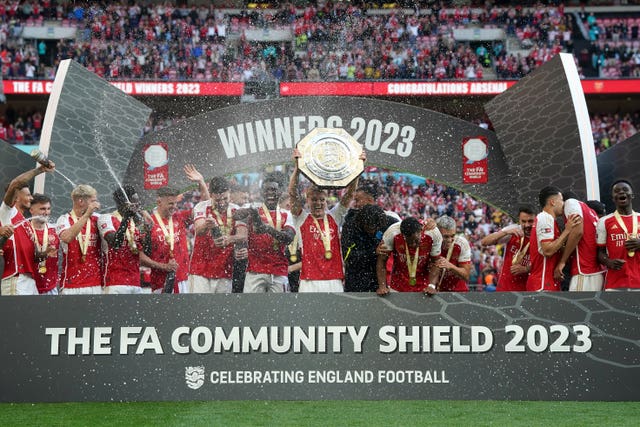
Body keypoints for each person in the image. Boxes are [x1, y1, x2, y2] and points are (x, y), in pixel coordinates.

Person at [288, 150, 357, 292]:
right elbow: (292, 194)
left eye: (321, 200)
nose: (318, 203)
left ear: (326, 201)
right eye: (314, 200)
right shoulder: (302, 219)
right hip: (309, 280)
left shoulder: (334, 216)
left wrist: (358, 168)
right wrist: (297, 168)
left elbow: (350, 194)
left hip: (333, 278)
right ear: (307, 200)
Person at [140, 165, 209, 294]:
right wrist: (163, 267)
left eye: (175, 203)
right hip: (161, 282)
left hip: (183, 279)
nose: (174, 207)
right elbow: (139, 256)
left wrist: (201, 182)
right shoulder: (149, 223)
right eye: (170, 204)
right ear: (159, 202)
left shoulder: (180, 218)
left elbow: (204, 205)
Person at [235, 171, 295, 293]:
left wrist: (268, 229)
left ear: (279, 192)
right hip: (255, 271)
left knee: (280, 309)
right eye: (267, 190)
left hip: (278, 271)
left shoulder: (286, 214)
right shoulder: (254, 209)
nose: (270, 193)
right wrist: (250, 212)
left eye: (273, 190)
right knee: (251, 309)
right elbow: (236, 215)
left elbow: (288, 238)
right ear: (262, 192)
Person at [0, 162, 56, 295]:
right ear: (17, 197)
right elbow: (16, 183)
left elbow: (33, 257)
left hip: (30, 279)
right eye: (28, 195)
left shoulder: (25, 223)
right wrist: (40, 170)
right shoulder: (8, 212)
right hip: (16, 278)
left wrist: (45, 253)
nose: (31, 198)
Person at [341, 182, 399, 292]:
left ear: (369, 201)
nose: (355, 204)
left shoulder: (389, 221)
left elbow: (408, 229)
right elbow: (347, 257)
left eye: (358, 200)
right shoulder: (350, 224)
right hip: (356, 282)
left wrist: (427, 224)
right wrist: (373, 252)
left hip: (380, 283)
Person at [189, 176, 240, 293]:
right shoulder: (201, 207)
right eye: (217, 200)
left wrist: (231, 239)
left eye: (225, 199)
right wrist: (207, 225)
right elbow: (199, 228)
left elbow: (242, 236)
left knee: (221, 309)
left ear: (229, 193)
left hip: (225, 270)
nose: (222, 203)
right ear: (211, 195)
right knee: (198, 308)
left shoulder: (237, 210)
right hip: (200, 270)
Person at [98, 185, 152, 294]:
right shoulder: (106, 218)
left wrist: (148, 232)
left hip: (135, 282)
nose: (138, 205)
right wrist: (126, 217)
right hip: (115, 282)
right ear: (124, 202)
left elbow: (147, 251)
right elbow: (115, 244)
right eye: (135, 202)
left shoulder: (135, 222)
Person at [526, 186, 581, 292]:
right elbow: (548, 251)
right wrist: (567, 230)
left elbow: (556, 249)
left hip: (549, 283)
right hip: (542, 284)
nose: (564, 204)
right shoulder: (545, 218)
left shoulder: (551, 221)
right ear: (552, 202)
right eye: (561, 200)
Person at [376, 217, 442, 295]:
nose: (413, 244)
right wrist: (382, 286)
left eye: (416, 240)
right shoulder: (392, 232)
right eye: (409, 241)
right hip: (397, 286)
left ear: (421, 231)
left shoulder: (433, 233)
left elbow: (436, 262)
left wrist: (431, 286)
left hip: (424, 287)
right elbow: (382, 260)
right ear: (402, 234)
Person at [56, 184, 103, 295]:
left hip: (95, 284)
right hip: (71, 285)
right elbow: (67, 237)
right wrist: (87, 214)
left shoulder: (98, 219)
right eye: (93, 201)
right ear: (81, 201)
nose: (96, 204)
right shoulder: (64, 219)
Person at [554, 191, 605, 291]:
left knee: (575, 305)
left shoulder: (570, 203)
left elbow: (578, 232)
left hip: (585, 271)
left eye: (559, 201)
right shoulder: (590, 211)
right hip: (595, 271)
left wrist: (562, 262)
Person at [480, 205, 536, 291]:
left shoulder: (541, 236)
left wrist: (526, 269)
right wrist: (505, 232)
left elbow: (547, 264)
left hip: (528, 290)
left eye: (530, 221)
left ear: (536, 220)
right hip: (505, 288)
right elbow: (484, 242)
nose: (527, 225)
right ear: (519, 220)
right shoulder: (513, 230)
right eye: (523, 221)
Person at [597, 179, 640, 290]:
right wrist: (608, 262)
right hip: (615, 283)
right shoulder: (604, 221)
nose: (621, 192)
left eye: (625, 190)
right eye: (617, 191)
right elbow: (600, 252)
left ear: (632, 195)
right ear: (613, 198)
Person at [29, 194, 59, 295]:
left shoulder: (55, 230)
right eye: (42, 209)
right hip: (28, 285)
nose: (46, 212)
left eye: (48, 209)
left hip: (50, 286)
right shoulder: (24, 229)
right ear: (31, 210)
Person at [434, 215, 471, 292]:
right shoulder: (432, 241)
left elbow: (466, 276)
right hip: (434, 291)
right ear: (438, 233)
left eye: (452, 236)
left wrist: (451, 266)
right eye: (446, 236)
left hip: (457, 291)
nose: (449, 240)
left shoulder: (462, 243)